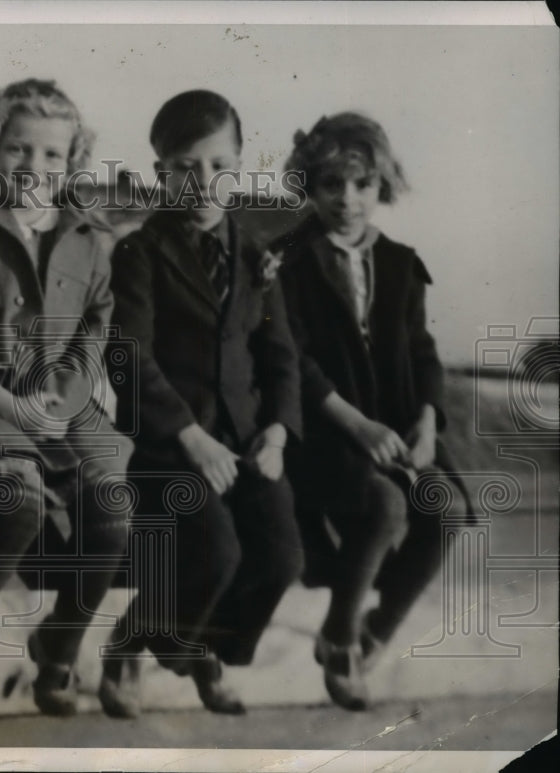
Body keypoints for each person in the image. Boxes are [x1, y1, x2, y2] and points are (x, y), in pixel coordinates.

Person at [0, 78, 132, 720]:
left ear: (73, 162)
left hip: (62, 406)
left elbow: (95, 325)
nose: (33, 168)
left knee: (114, 500)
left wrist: (62, 402)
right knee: (20, 498)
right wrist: (9, 406)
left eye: (51, 156)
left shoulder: (91, 239)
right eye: (17, 149)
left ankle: (60, 647)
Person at [102, 90, 304, 718]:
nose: (203, 182)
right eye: (186, 166)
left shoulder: (254, 255)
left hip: (244, 443)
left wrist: (276, 430)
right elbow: (126, 356)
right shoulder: (140, 253)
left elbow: (280, 356)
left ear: (238, 166)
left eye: (219, 165)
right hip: (170, 448)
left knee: (279, 555)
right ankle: (130, 643)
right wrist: (187, 434)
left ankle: (202, 648)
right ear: (161, 171)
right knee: (215, 550)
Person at [276, 111, 472, 711]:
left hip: (394, 428)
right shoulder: (289, 260)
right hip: (325, 430)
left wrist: (428, 420)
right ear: (309, 185)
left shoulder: (399, 262)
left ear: (381, 184)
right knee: (384, 504)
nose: (348, 200)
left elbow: (421, 350)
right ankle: (338, 636)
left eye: (361, 184)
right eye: (331, 184)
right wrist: (356, 425)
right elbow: (294, 360)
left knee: (447, 509)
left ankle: (374, 633)